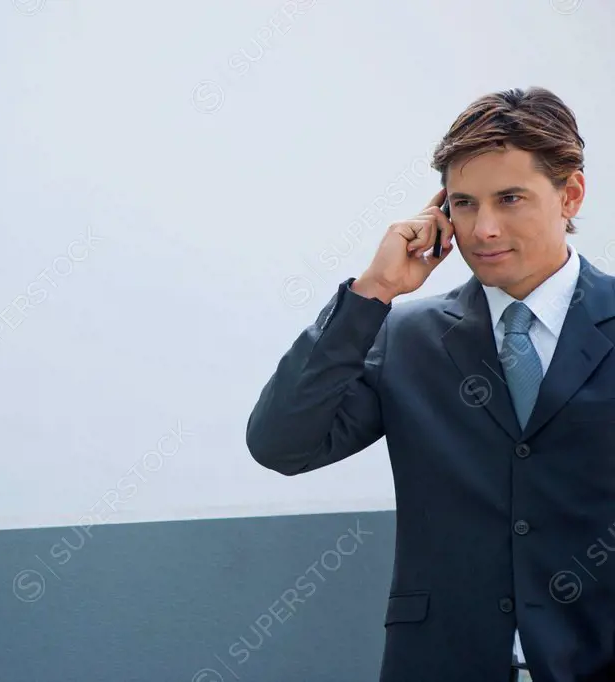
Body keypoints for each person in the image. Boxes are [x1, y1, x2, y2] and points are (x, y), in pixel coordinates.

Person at [246, 86, 613, 682]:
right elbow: (282, 444)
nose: (484, 228)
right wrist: (372, 292)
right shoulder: (406, 337)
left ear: (569, 194)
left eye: (510, 198)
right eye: (464, 203)